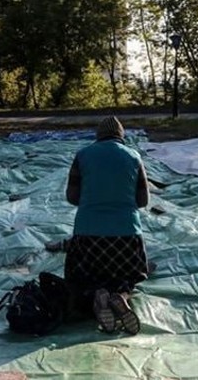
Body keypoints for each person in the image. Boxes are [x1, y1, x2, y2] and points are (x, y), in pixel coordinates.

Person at [64, 116, 149, 335]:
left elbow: (72, 197)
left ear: (98, 135)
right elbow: (143, 201)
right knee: (127, 276)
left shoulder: (83, 155)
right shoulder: (134, 156)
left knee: (83, 277)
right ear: (121, 136)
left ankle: (97, 294)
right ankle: (121, 296)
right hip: (127, 236)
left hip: (88, 236)